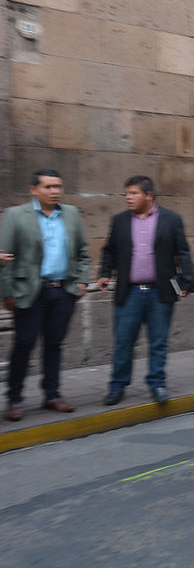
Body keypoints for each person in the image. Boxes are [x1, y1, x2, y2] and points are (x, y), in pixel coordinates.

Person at [96, 176, 194, 406]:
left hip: (160, 293)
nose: (128, 198)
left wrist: (187, 282)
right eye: (127, 194)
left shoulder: (171, 219)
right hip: (128, 293)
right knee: (123, 341)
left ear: (148, 195)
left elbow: (183, 252)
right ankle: (117, 386)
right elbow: (108, 251)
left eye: (133, 193)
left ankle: (157, 384)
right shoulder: (119, 221)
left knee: (158, 341)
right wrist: (104, 273)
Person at [0, 169, 89, 421]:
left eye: (58, 186)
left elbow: (82, 251)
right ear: (34, 190)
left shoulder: (71, 214)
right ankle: (14, 399)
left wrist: (82, 281)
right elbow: (5, 256)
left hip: (62, 291)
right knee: (24, 345)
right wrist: (7, 293)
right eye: (49, 187)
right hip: (29, 293)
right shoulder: (16, 215)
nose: (55, 191)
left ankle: (52, 395)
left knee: (54, 344)